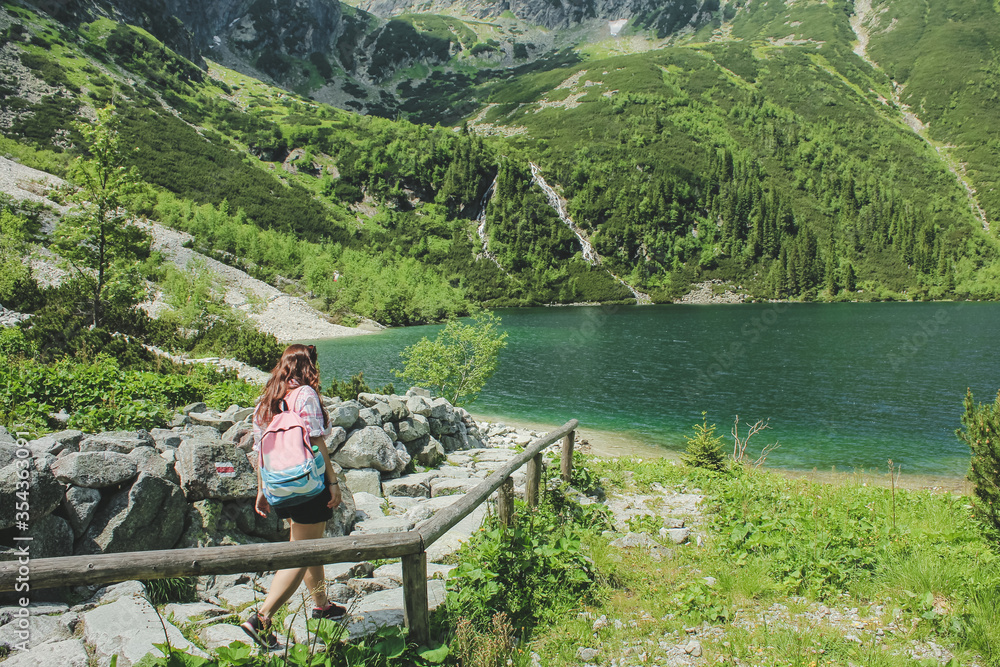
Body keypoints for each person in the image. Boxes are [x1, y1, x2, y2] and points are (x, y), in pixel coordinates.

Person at [241, 344, 348, 649]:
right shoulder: (305, 395)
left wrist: (263, 490)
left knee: (306, 543)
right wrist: (333, 481)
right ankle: (261, 618)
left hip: (280, 486)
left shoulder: (267, 400)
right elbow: (315, 440)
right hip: (306, 483)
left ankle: (322, 605)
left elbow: (259, 450)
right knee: (302, 549)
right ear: (308, 366)